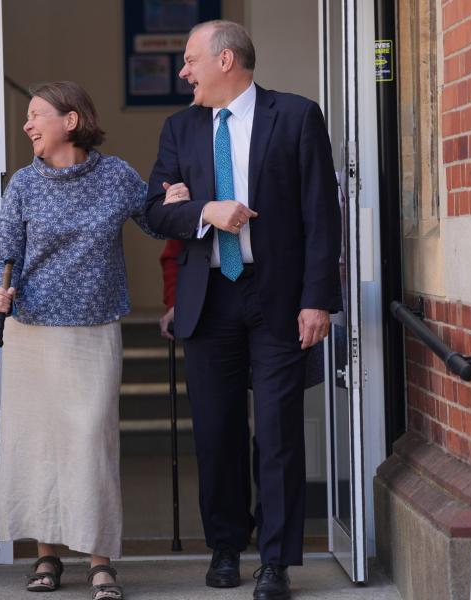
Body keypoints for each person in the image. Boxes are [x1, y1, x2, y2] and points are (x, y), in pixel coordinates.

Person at [144, 20, 342, 600]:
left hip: (280, 297)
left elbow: (320, 216)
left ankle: (276, 562)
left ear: (226, 60)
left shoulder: (297, 116)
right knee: (216, 430)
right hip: (210, 298)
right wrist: (205, 209)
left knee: (278, 432)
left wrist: (317, 300)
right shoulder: (179, 128)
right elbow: (156, 212)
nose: (184, 71)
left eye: (190, 59)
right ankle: (227, 548)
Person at [0, 81, 158, 600]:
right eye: (28, 116)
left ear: (72, 120)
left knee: (90, 444)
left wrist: (177, 199)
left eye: (37, 114)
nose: (27, 124)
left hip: (93, 330)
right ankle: (46, 557)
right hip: (31, 330)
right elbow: (4, 254)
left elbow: (155, 222)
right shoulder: (23, 184)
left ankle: (100, 560)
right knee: (37, 446)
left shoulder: (116, 176)